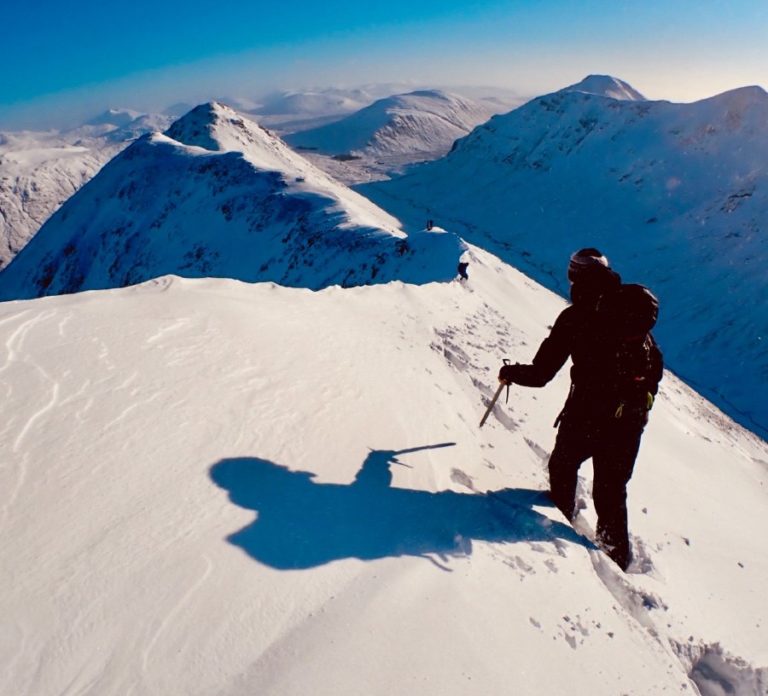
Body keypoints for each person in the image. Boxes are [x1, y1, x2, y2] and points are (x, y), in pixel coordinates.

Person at [498, 248, 663, 570]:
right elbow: (654, 365)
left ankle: (561, 521)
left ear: (574, 276)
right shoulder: (629, 310)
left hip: (586, 414)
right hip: (628, 420)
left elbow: (542, 374)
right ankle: (617, 559)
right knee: (611, 492)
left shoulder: (575, 317)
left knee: (562, 467)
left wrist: (510, 373)